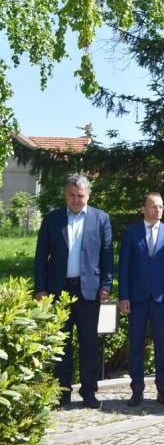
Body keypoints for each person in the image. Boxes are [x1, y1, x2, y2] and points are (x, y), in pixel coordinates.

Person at [34, 173, 113, 409]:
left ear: (88, 195)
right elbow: (40, 258)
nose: (76, 200)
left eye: (80, 196)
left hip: (89, 291)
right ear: (65, 196)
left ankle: (89, 391)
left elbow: (106, 255)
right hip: (58, 291)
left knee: (89, 343)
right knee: (61, 344)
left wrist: (106, 285)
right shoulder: (52, 219)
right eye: (71, 195)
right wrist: (40, 288)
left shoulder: (101, 219)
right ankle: (62, 393)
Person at [119, 192, 164, 407]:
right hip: (136, 298)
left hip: (161, 299)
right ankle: (137, 390)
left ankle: (163, 389)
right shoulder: (131, 233)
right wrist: (123, 296)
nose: (158, 210)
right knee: (135, 345)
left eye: (161, 206)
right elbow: (124, 267)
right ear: (143, 209)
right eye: (153, 206)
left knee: (161, 345)